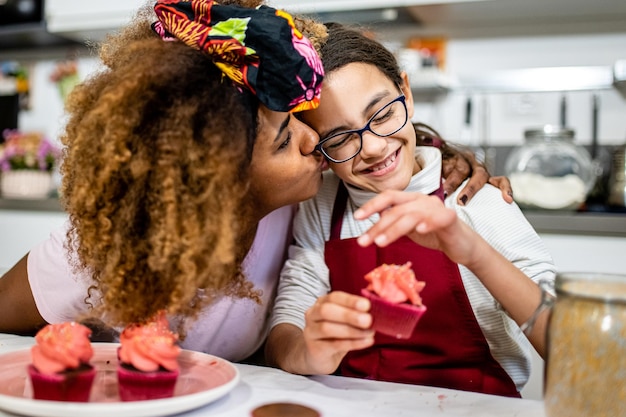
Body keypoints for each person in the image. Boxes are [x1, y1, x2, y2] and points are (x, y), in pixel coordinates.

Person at [0, 1, 507, 363]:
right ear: (221, 181)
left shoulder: (303, 197)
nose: (314, 144)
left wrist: (436, 150)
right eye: (287, 138)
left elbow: (365, 132)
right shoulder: (92, 257)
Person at [265, 22, 556, 397]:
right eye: (339, 138)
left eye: (382, 114)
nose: (371, 147)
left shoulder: (478, 201)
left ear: (406, 92)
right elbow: (283, 332)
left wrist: (477, 254)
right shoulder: (323, 206)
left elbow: (569, 347)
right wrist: (307, 352)